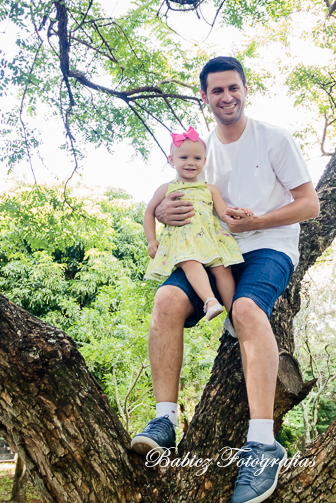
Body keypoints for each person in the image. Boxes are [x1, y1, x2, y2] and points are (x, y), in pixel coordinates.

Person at [130, 56, 320, 503]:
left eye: (233, 87)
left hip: (267, 244)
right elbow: (169, 198)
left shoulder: (273, 138)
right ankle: (165, 419)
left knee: (247, 309)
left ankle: (262, 443)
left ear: (245, 88)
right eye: (217, 90)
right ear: (205, 97)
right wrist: (161, 212)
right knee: (166, 304)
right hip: (211, 252)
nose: (226, 97)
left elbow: (310, 205)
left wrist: (257, 223)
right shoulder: (199, 150)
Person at [143, 127, 251, 320]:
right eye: (184, 158)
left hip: (208, 237)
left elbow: (225, 213)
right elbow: (149, 212)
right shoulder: (167, 188)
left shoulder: (210, 189)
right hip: (182, 239)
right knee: (189, 262)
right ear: (172, 160)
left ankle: (235, 317)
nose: (190, 163)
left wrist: (241, 213)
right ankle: (210, 301)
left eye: (197, 158)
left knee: (223, 270)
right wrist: (151, 240)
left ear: (204, 161)